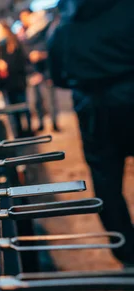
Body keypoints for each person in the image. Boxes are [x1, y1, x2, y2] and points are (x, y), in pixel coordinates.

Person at [48, 0, 134, 265]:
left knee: (106, 180)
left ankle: (127, 253)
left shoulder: (62, 28)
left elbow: (59, 77)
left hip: (93, 109)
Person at [19, 9, 60, 133]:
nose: (24, 19)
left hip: (46, 70)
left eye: (26, 16)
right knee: (36, 101)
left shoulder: (44, 31)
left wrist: (41, 55)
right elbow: (23, 54)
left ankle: (54, 123)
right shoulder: (23, 34)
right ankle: (41, 123)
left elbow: (52, 49)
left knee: (50, 99)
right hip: (32, 72)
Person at [0, 21, 31, 138]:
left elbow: (23, 62)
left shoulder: (15, 43)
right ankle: (19, 132)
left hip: (18, 81)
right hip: (8, 84)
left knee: (23, 106)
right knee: (14, 110)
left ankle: (28, 130)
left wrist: (6, 65)